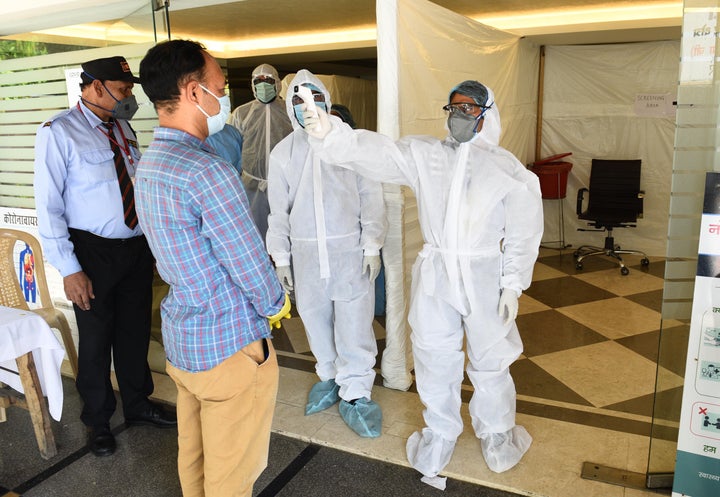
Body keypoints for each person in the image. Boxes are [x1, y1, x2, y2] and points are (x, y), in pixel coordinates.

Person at [300, 81, 543, 487]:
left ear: (488, 113)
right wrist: (330, 133)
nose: (460, 114)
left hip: (484, 274)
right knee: (433, 354)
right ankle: (441, 432)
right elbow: (376, 153)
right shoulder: (426, 156)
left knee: (491, 358)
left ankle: (498, 431)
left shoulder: (506, 168)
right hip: (437, 272)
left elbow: (524, 231)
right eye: (455, 106)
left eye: (470, 107)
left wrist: (513, 284)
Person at [135, 40, 290, 497]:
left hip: (185, 342)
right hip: (229, 346)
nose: (225, 97)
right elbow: (248, 262)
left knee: (196, 457)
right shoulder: (208, 171)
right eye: (220, 87)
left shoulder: (150, 165)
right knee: (232, 474)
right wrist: (277, 303)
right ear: (192, 91)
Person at [33, 55, 177, 458]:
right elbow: (49, 208)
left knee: (133, 332)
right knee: (95, 340)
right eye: (124, 89)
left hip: (134, 248)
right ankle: (98, 420)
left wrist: (149, 244)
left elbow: (134, 187)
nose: (129, 97)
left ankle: (137, 404)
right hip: (91, 252)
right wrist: (70, 268)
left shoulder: (123, 128)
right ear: (96, 87)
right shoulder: (59, 133)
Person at [266, 70, 387, 438]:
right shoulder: (283, 152)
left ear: (327, 101)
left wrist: (371, 245)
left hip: (348, 250)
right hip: (305, 255)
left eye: (315, 98)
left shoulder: (349, 144)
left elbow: (371, 195)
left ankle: (357, 391)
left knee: (354, 321)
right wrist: (282, 258)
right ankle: (330, 377)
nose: (309, 108)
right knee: (315, 319)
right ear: (290, 107)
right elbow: (278, 210)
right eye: (299, 101)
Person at [229, 63, 293, 238]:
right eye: (258, 81)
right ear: (252, 84)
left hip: (286, 183)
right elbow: (233, 148)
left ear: (277, 83)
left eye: (268, 80)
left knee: (286, 231)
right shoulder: (241, 113)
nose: (263, 85)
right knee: (255, 232)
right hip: (251, 185)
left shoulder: (290, 112)